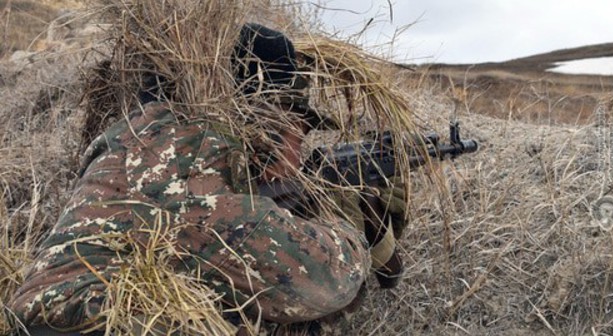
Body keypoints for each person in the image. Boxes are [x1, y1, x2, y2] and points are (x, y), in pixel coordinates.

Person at [8, 23, 409, 335]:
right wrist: (346, 211)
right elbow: (323, 279)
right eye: (298, 129)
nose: (300, 152)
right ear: (265, 117)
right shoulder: (189, 153)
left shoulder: (137, 139)